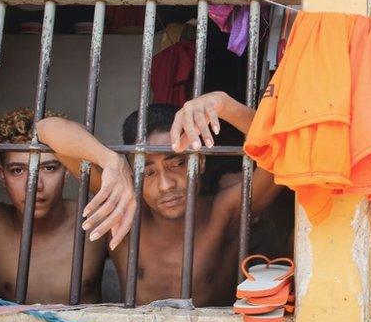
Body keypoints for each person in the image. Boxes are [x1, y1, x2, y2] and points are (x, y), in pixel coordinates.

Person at [36, 91, 281, 306]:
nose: (165, 185)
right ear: (133, 173)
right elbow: (46, 129)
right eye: (149, 171)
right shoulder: (123, 206)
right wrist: (109, 160)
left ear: (201, 160)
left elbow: (283, 148)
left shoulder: (224, 211)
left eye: (177, 164)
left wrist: (223, 104)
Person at [0, 108, 108, 304]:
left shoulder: (94, 219)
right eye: (17, 171)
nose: (35, 184)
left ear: (67, 172)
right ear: (2, 175)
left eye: (49, 168)